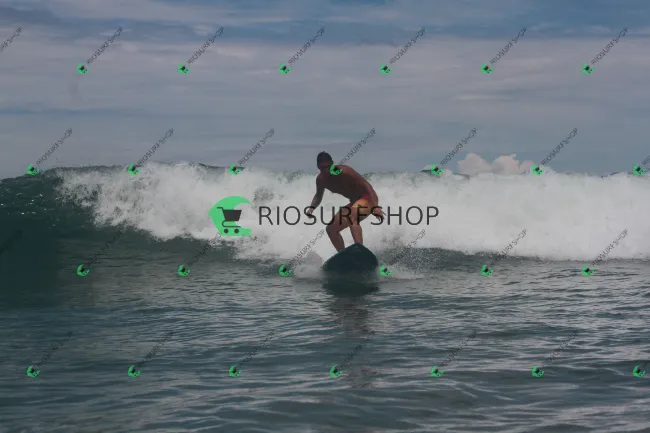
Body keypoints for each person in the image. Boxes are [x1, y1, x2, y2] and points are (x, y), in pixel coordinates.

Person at [306, 152, 385, 252]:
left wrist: (375, 206)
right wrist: (311, 209)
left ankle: (360, 251)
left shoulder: (344, 171)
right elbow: (318, 196)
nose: (326, 170)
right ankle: (344, 256)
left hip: (367, 198)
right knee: (331, 229)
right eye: (322, 168)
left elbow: (367, 185)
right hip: (355, 202)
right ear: (318, 166)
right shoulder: (321, 180)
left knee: (351, 216)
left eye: (328, 167)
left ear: (332, 163)